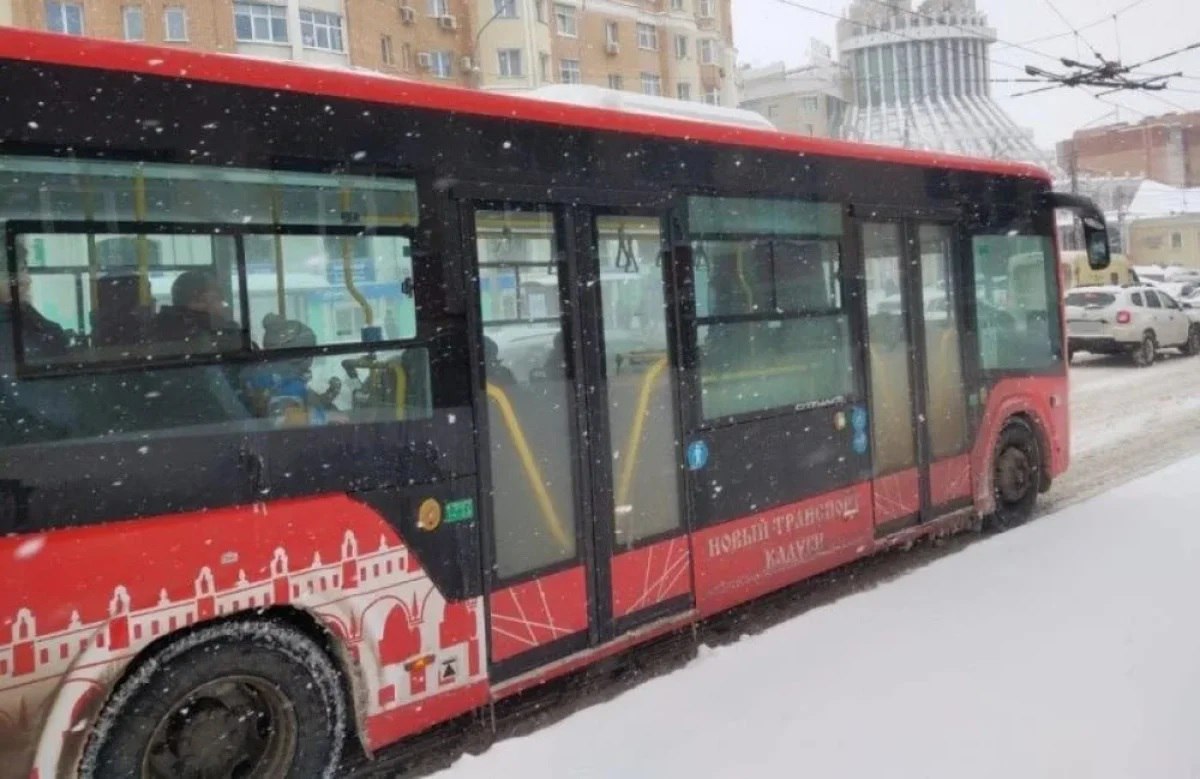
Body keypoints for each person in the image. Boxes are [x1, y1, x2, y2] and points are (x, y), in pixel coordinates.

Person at [152, 270, 244, 354]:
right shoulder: (216, 332)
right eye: (217, 299)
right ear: (199, 302)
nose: (222, 306)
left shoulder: (160, 326)